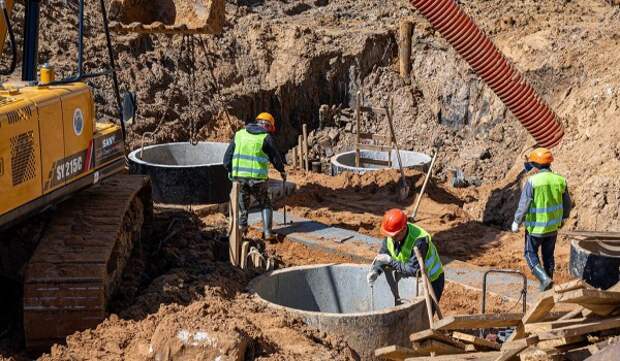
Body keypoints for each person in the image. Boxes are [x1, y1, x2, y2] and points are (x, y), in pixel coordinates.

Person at [511, 147, 571, 291]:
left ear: (536, 164)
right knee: (548, 256)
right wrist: (562, 218)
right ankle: (548, 283)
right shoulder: (560, 180)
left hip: (535, 229)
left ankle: (544, 279)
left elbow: (524, 204)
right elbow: (567, 204)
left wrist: (516, 221)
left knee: (529, 253)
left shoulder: (533, 181)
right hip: (552, 228)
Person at [223, 112, 286, 239]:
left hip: (239, 178)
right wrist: (282, 171)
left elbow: (226, 159)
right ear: (267, 126)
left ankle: (241, 230)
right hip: (258, 179)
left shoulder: (239, 135)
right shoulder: (265, 137)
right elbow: (275, 157)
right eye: (270, 128)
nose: (270, 131)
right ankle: (267, 233)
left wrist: (231, 171)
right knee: (265, 203)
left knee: (243, 205)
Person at [367, 209, 445, 308]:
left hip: (431, 281)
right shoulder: (392, 235)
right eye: (390, 235)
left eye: (395, 235)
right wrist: (376, 270)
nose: (392, 238)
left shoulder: (419, 241)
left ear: (404, 229)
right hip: (410, 279)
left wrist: (390, 261)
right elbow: (383, 254)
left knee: (423, 319)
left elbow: (413, 270)